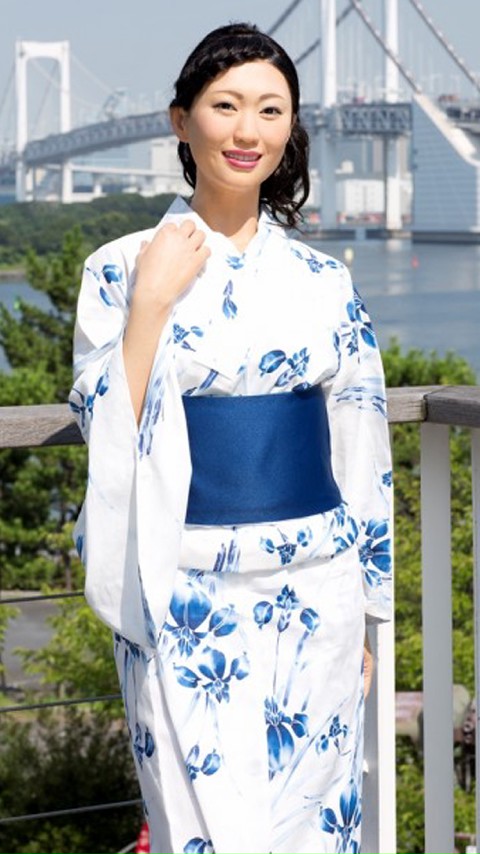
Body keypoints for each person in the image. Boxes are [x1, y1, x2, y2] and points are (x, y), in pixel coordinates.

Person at [69, 22, 392, 854]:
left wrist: (368, 610)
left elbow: (361, 443)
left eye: (271, 110)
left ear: (290, 128)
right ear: (181, 122)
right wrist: (150, 304)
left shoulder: (325, 280)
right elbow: (105, 418)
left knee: (315, 828)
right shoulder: (121, 266)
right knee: (199, 830)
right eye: (225, 106)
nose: (248, 131)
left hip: (317, 587)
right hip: (183, 590)